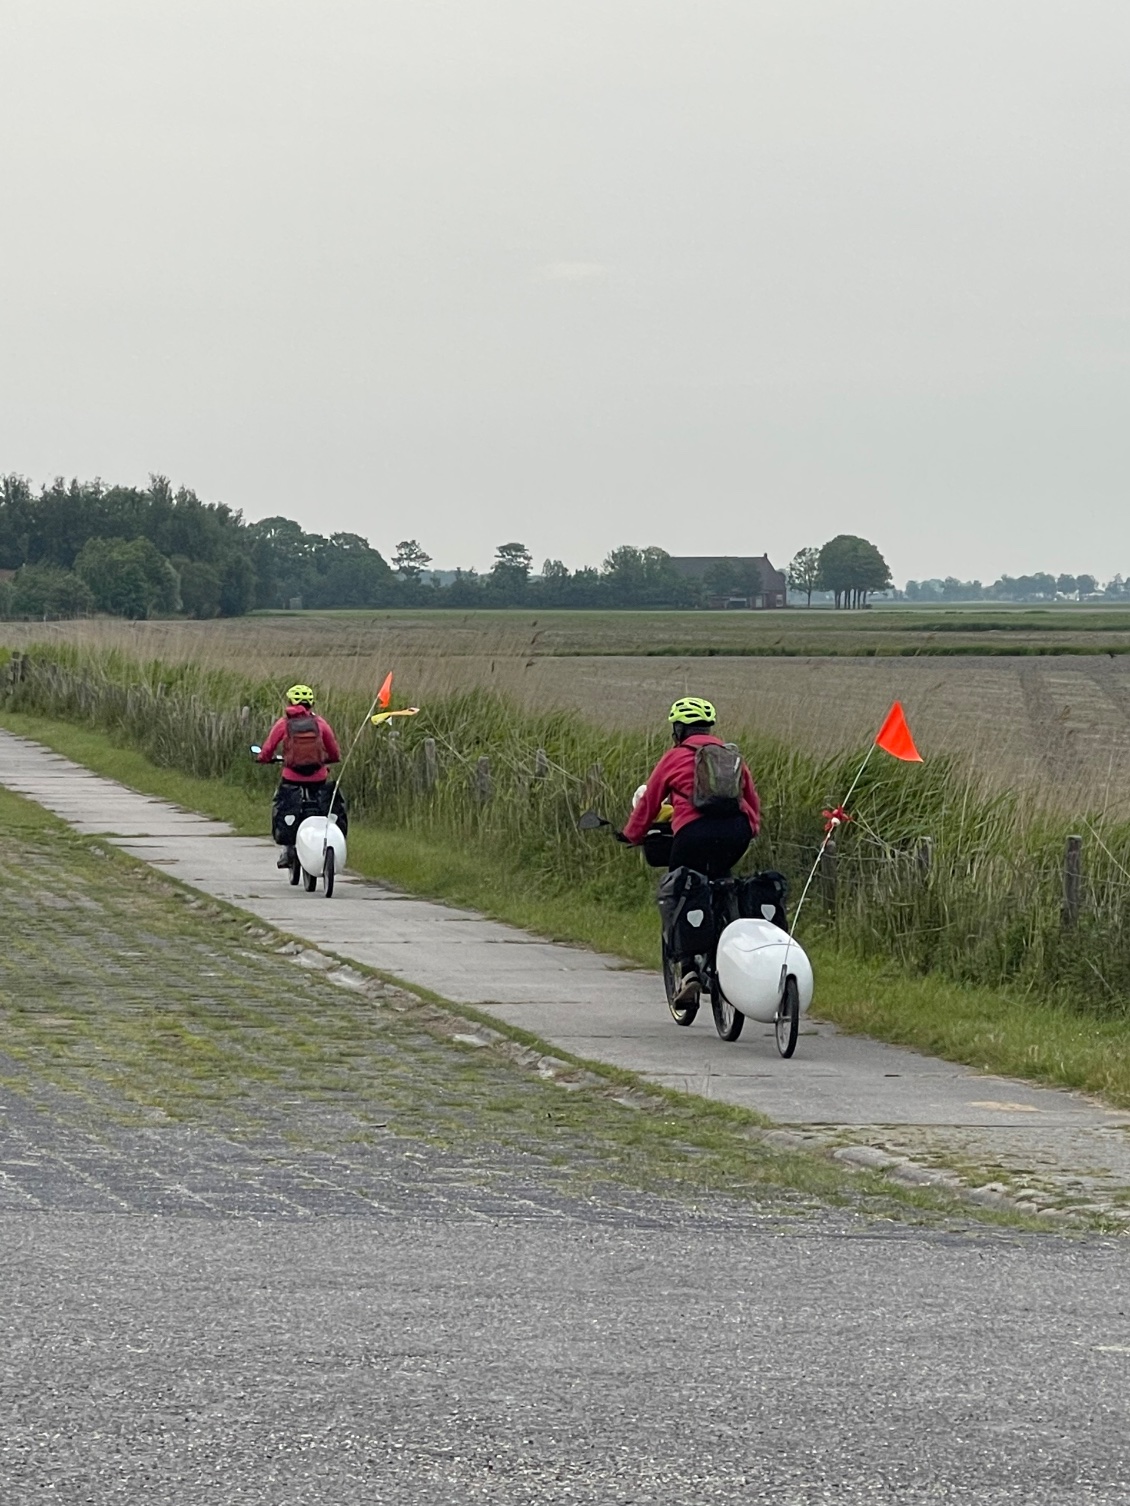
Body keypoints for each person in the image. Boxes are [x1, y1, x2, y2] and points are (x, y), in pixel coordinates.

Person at [619, 696, 760, 1001]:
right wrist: (752, 830)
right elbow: (751, 799)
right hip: (737, 832)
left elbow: (650, 802)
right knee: (722, 880)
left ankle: (689, 971)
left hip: (693, 834)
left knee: (681, 890)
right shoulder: (731, 756)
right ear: (709, 728)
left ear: (679, 730)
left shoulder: (674, 757)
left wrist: (632, 835)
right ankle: (730, 936)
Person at [257, 684, 346, 867]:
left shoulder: (284, 723)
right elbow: (334, 752)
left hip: (291, 777)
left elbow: (268, 749)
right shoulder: (320, 724)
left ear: (290, 702)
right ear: (311, 703)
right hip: (318, 777)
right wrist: (329, 759)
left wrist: (263, 758)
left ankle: (288, 850)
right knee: (323, 808)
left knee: (283, 804)